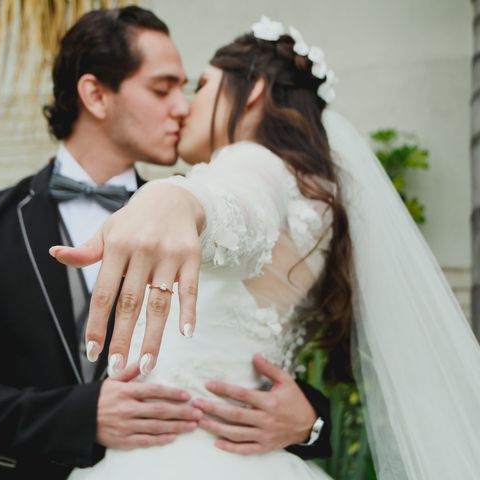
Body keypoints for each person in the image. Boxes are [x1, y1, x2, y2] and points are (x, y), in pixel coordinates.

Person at [52, 15, 480, 480]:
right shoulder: (317, 193)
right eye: (165, 91)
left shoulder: (252, 163)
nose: (184, 107)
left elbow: (241, 208)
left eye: (200, 86)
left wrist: (175, 198)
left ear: (253, 89)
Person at [0, 9, 331, 480]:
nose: (182, 106)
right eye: (162, 89)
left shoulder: (192, 208)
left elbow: (231, 358)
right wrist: (81, 414)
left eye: (187, 88)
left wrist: (311, 422)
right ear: (95, 95)